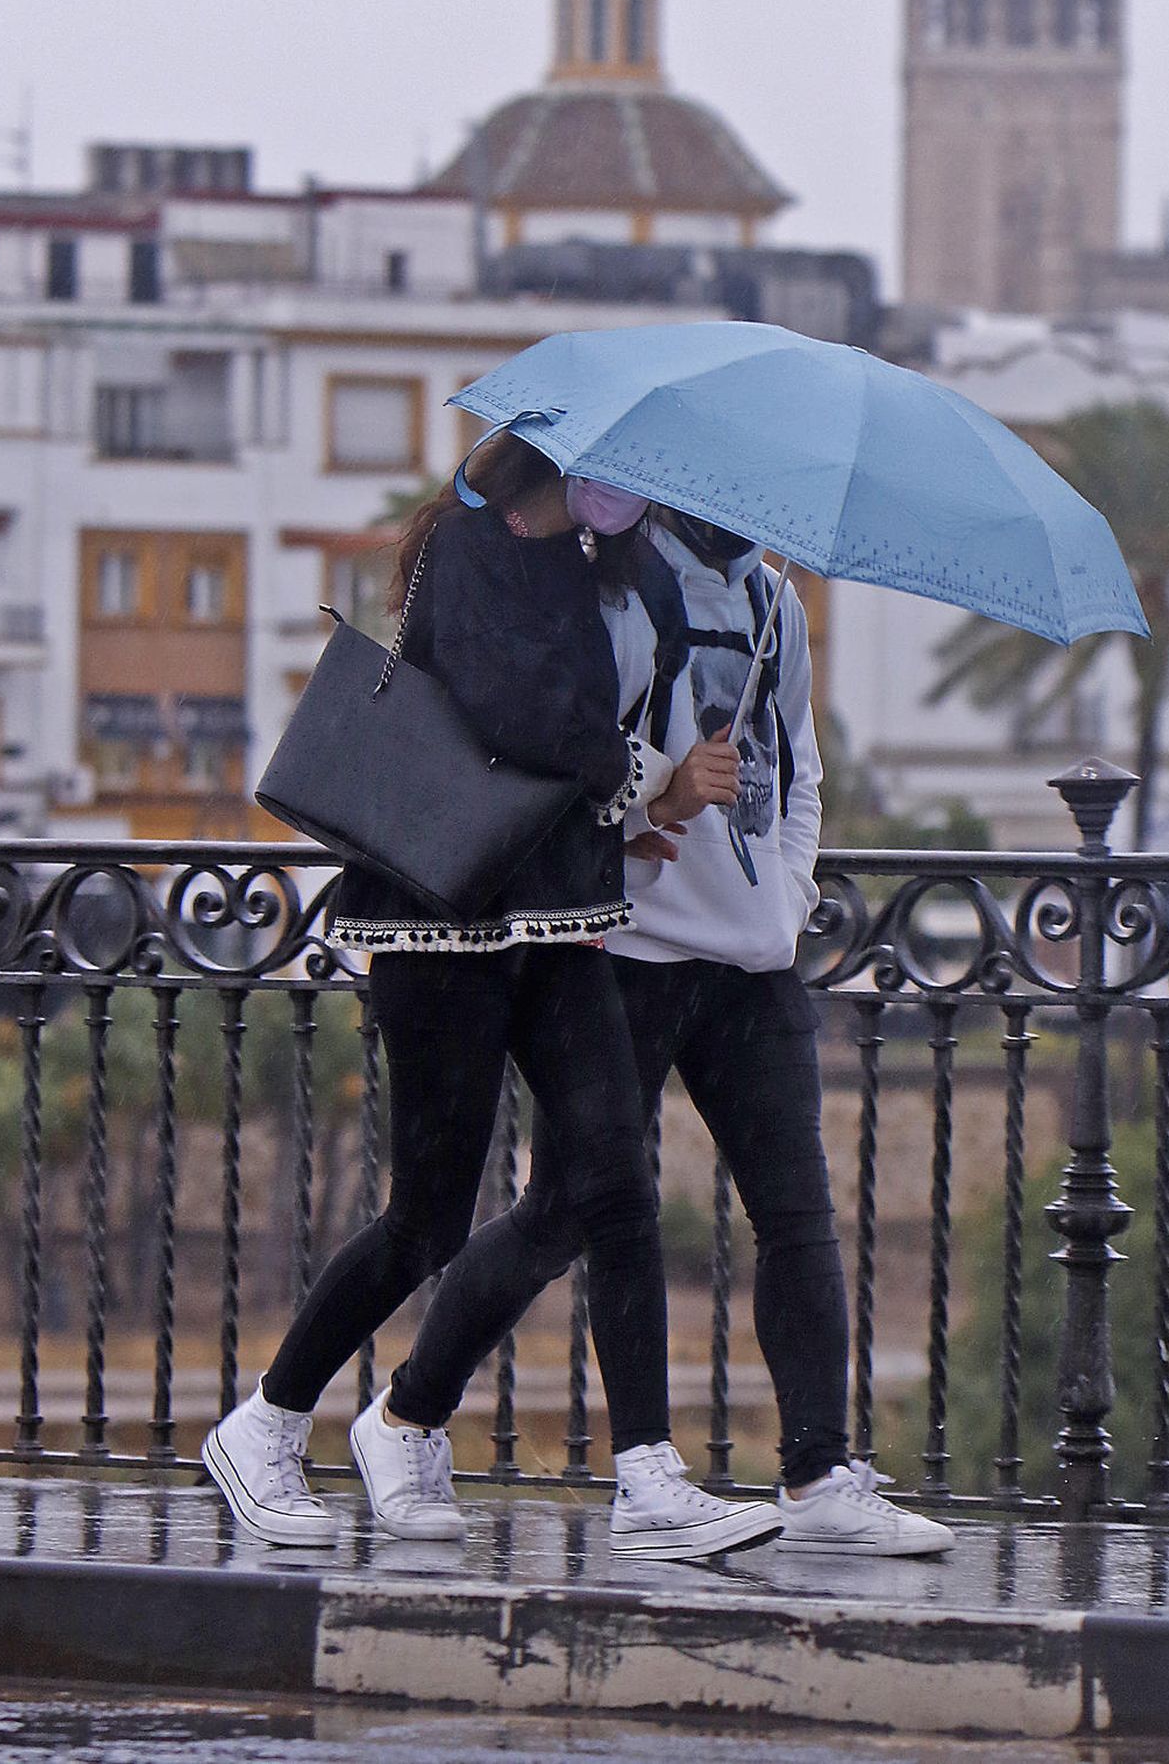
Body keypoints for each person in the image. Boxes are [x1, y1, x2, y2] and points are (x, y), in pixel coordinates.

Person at [203, 436, 778, 1563]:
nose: (628, 497)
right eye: (611, 476)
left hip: (559, 917)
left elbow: (612, 689)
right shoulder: (464, 554)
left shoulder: (598, 565)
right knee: (426, 1218)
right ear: (546, 465)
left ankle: (649, 1476)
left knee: (615, 1184)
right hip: (442, 921)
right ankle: (264, 1425)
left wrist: (659, 586)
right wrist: (631, 773)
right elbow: (515, 709)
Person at [388, 505, 954, 1557]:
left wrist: (782, 901)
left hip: (752, 962)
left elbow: (799, 773)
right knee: (561, 1213)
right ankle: (410, 1411)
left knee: (797, 1212)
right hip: (629, 956)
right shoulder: (609, 592)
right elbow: (569, 756)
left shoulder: (773, 601)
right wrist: (650, 815)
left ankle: (820, 1471)